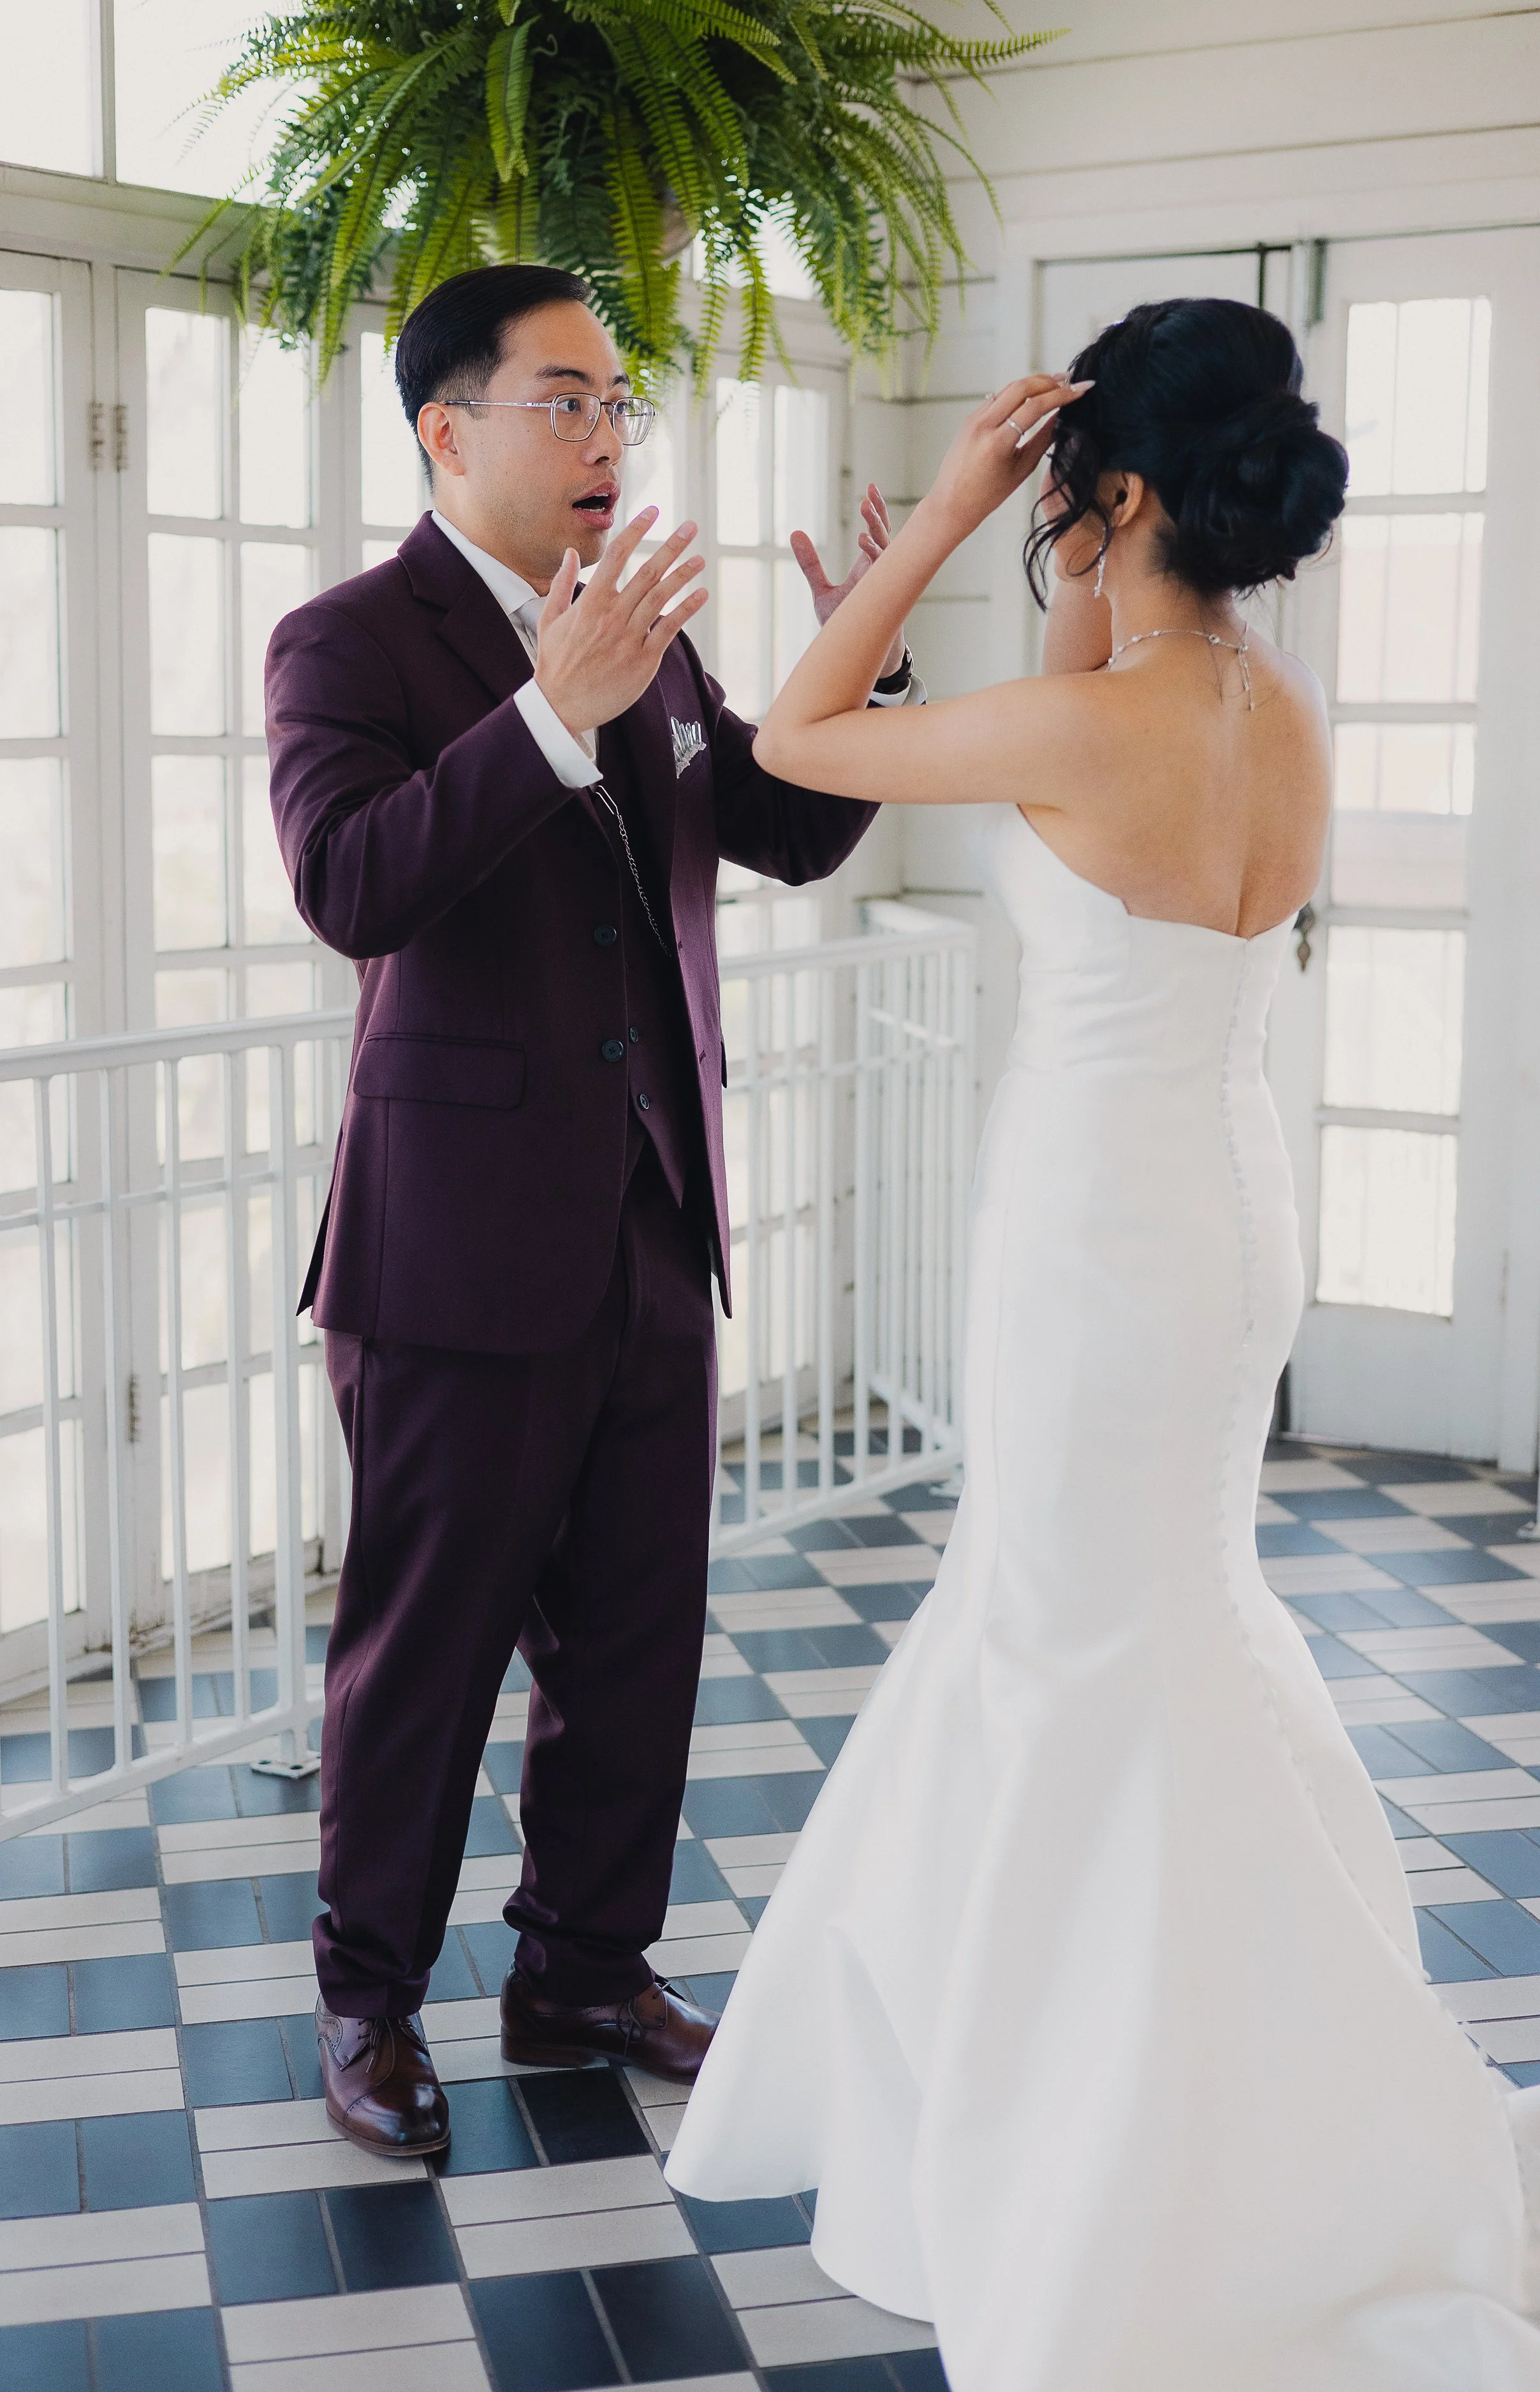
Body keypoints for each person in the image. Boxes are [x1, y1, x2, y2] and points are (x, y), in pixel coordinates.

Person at [664, 299, 1540, 2389]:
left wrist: (941, 531)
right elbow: (1082, 754)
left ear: (1122, 485)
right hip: (1220, 1211)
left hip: (1090, 1240)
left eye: (1072, 481)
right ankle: (1169, 2074)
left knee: (1084, 1650)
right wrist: (1063, 573)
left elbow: (798, 737)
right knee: (1143, 1621)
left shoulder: (1098, 727)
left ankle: (1113, 2140)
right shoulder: (1267, 708)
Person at [264, 262, 921, 2159]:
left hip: (652, 1219)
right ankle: (366, 2001)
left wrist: (861, 667)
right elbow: (352, 883)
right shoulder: (348, 642)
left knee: (640, 1637)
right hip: (453, 1245)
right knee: (424, 1651)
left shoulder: (637, 623)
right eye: (564, 401)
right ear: (443, 428)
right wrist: (547, 717)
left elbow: (782, 826)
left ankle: (580, 1965)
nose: (605, 437)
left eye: (618, 405)